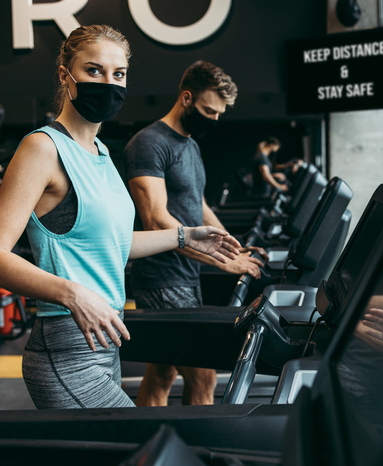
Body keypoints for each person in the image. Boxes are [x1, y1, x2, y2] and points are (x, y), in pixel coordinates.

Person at [0, 25, 242, 409]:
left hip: (105, 339)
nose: (109, 82)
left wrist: (186, 236)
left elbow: (112, 244)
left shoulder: (100, 151)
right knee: (143, 447)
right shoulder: (42, 148)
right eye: (94, 70)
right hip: (66, 348)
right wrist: (72, 292)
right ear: (66, 76)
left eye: (119, 74)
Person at [125, 60, 266, 407]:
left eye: (219, 114)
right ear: (186, 98)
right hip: (161, 276)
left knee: (162, 371)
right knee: (203, 373)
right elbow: (156, 220)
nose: (214, 120)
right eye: (208, 110)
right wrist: (222, 262)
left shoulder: (190, 145)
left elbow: (197, 203)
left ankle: (145, 444)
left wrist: (232, 246)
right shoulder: (150, 144)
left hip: (184, 274)